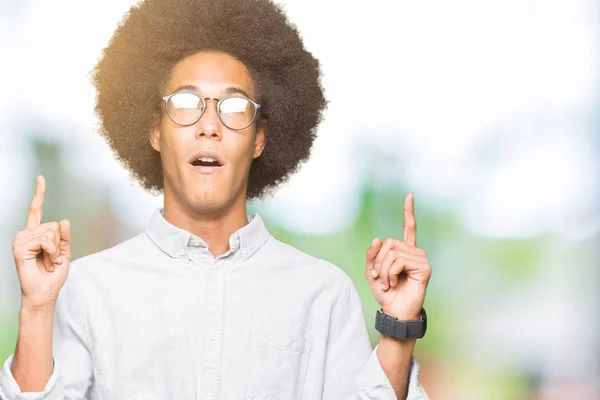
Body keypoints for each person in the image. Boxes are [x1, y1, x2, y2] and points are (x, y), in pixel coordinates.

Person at [0, 0, 432, 398]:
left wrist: (399, 330)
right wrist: (37, 309)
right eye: (186, 103)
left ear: (260, 138)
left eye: (234, 107)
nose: (209, 126)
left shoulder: (323, 293)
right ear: (154, 130)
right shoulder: (87, 288)